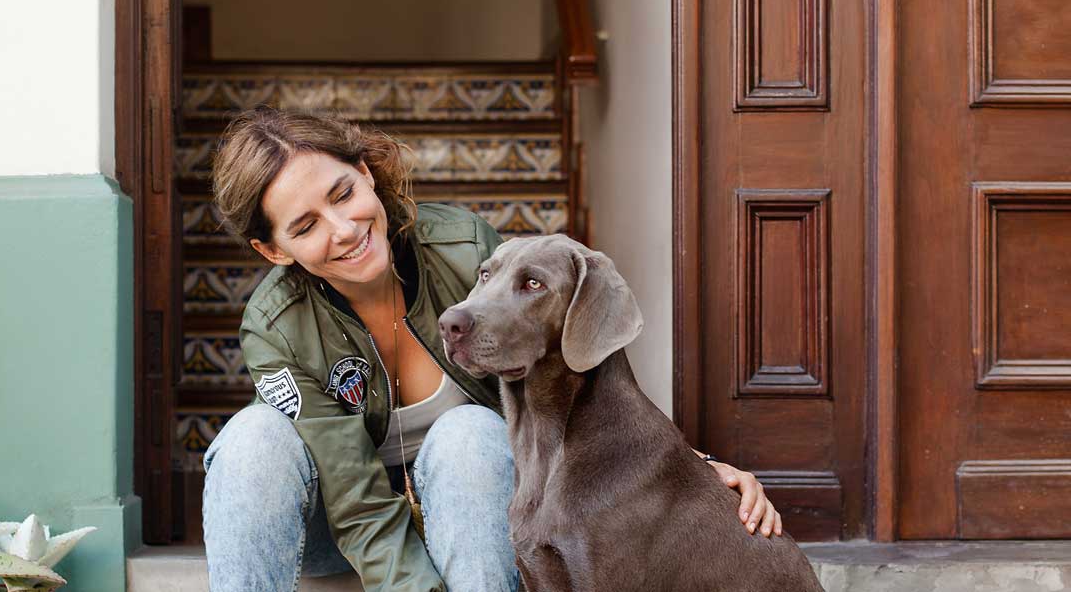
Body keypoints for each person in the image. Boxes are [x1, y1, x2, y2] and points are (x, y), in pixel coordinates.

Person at [202, 108, 783, 592]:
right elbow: (356, 502)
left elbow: (570, 367)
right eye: (305, 226)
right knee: (252, 438)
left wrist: (693, 472)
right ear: (272, 250)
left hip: (476, 506)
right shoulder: (273, 327)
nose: (344, 228)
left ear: (365, 173)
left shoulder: (463, 249)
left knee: (468, 434)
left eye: (342, 193)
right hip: (343, 528)